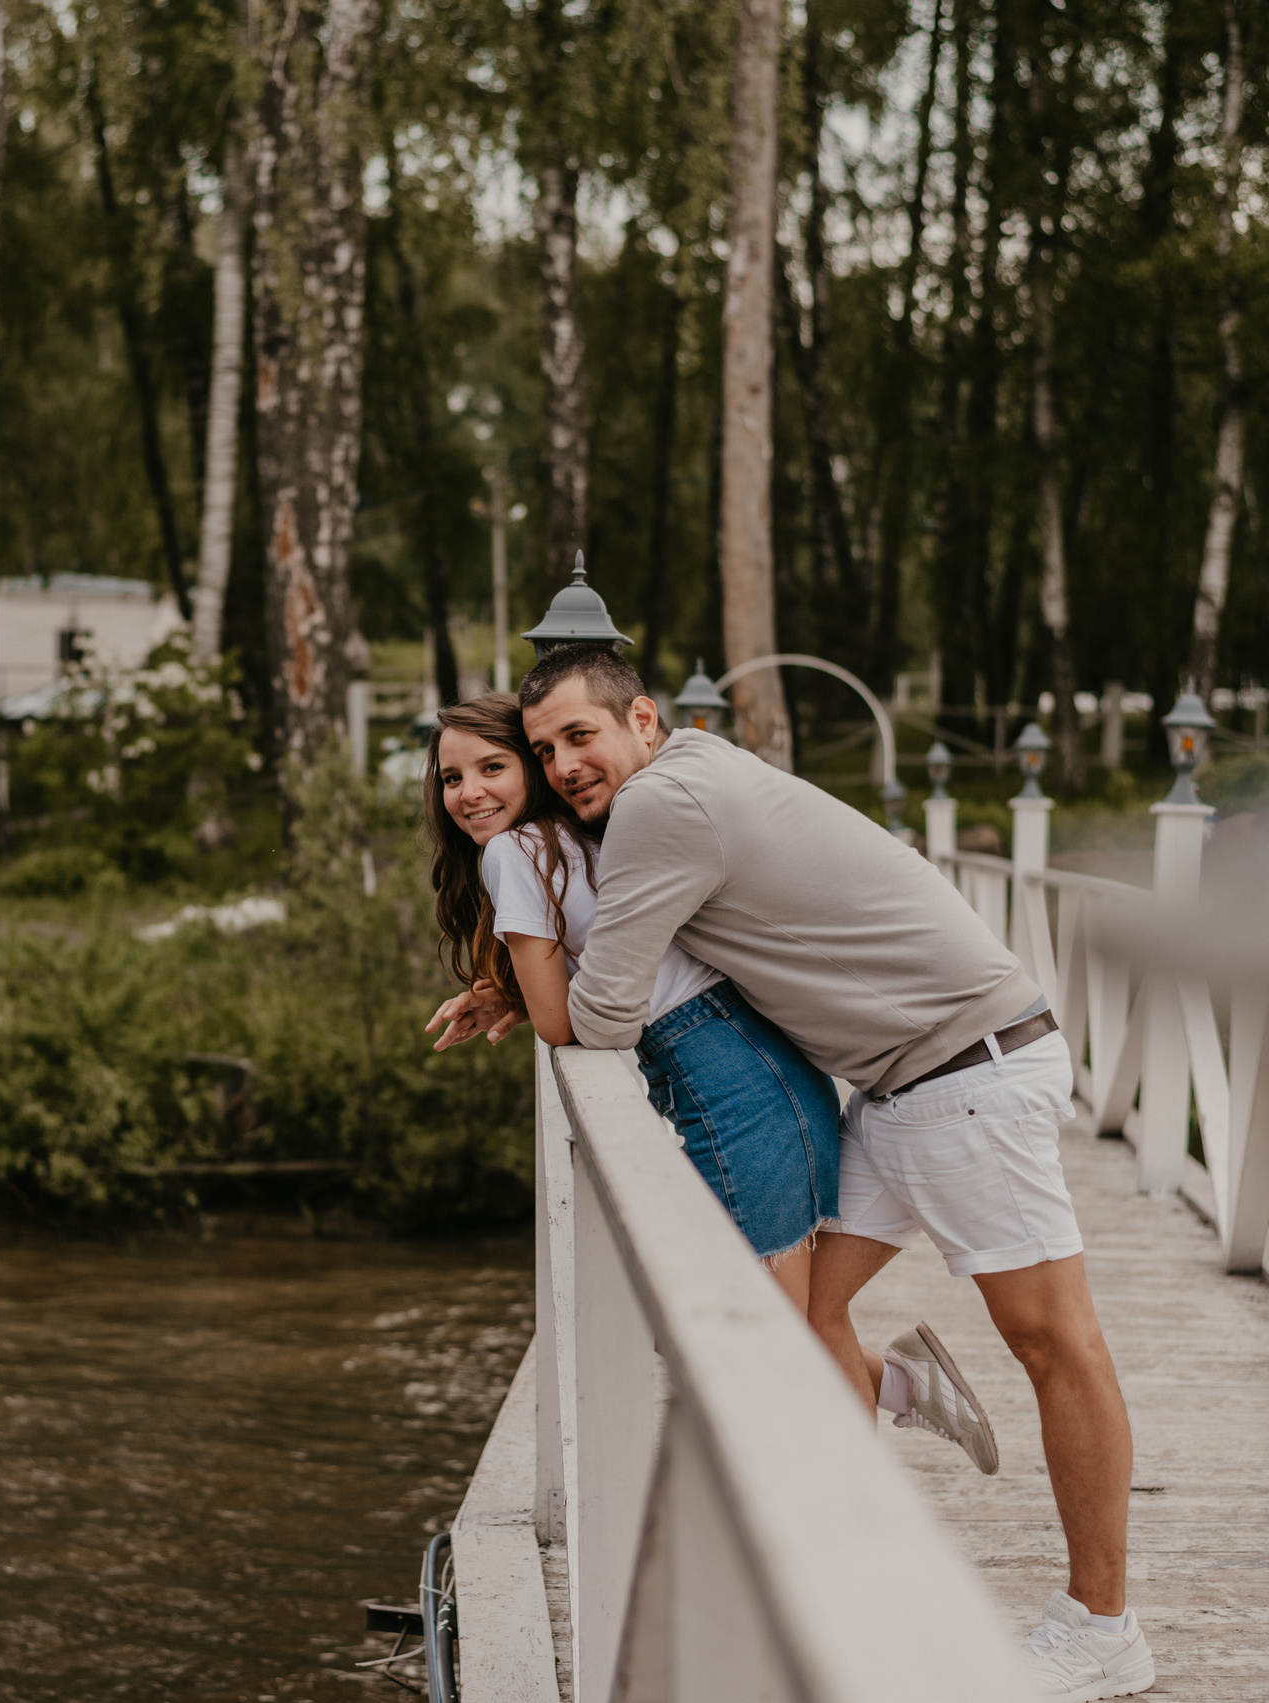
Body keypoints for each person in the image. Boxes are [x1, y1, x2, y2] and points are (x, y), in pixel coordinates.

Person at [493, 643, 1153, 1703]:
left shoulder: (659, 805)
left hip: (964, 1074)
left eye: (580, 735)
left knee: (1054, 1343)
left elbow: (605, 1015)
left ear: (644, 720)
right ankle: (893, 1423)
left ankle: (1103, 1624)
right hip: (896, 1087)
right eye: (542, 750)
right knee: (795, 1317)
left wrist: (530, 968)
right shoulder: (694, 774)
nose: (563, 765)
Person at [418, 694, 999, 1479]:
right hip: (763, 1072)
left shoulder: (512, 855)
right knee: (753, 1326)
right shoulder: (589, 834)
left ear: (533, 767)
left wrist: (525, 998)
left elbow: (561, 1022)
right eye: (452, 777)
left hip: (732, 1093)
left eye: (493, 767)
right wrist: (518, 993)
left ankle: (841, 1515)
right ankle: (900, 1388)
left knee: (748, 1339)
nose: (469, 792)